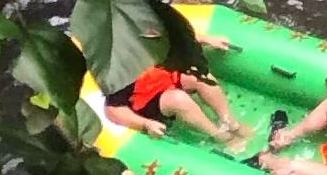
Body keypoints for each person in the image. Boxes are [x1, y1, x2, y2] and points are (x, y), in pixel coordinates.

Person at [108, 63, 259, 152]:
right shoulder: (121, 66)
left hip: (167, 81)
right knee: (178, 99)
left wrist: (209, 40)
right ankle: (221, 136)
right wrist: (145, 124)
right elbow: (113, 109)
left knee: (200, 75)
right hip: (145, 103)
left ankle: (230, 122)